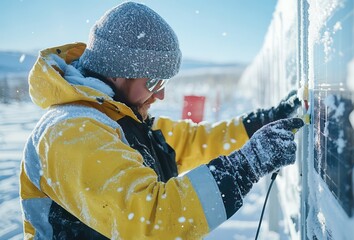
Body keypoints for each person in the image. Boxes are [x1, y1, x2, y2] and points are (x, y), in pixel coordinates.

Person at [20, 2, 304, 239]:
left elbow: (196, 141)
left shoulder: (123, 122)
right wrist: (245, 166)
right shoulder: (70, 133)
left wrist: (263, 121)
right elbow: (150, 220)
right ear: (117, 72)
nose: (162, 94)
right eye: (154, 81)